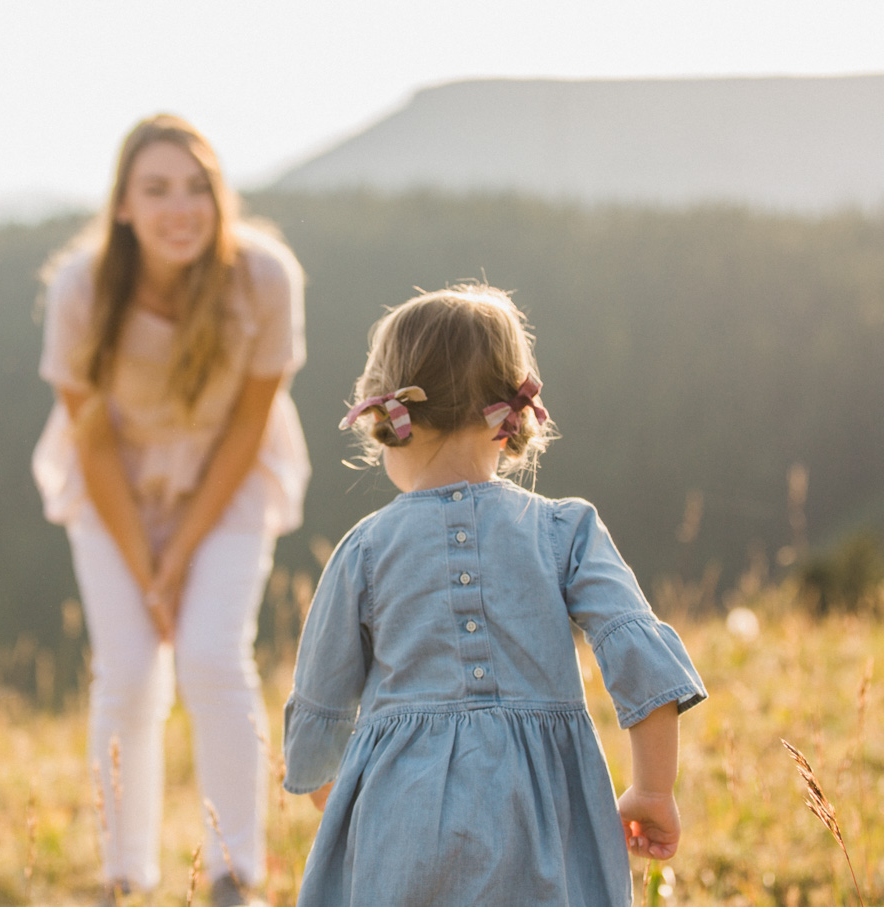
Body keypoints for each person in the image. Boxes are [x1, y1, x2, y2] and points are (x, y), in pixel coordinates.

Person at [281, 285, 706, 905]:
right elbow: (636, 655)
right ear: (509, 420)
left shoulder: (364, 550)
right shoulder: (566, 531)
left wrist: (338, 794)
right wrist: (652, 790)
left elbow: (320, 701)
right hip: (544, 815)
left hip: (402, 818)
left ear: (388, 421)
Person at [32, 113, 308, 906]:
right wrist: (149, 571)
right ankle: (124, 874)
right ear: (122, 204)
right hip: (115, 487)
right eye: (156, 190)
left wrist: (181, 555)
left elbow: (251, 427)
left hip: (227, 482)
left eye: (198, 188)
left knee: (212, 657)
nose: (180, 209)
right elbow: (92, 442)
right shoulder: (82, 288)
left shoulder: (264, 277)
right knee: (126, 672)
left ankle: (234, 873)